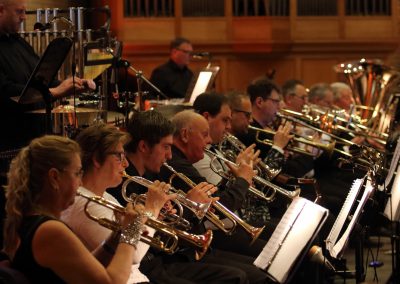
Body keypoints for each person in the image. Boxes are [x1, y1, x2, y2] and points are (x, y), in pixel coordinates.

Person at [107, 110, 249, 284]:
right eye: (166, 147)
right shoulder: (123, 185)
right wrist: (186, 208)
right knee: (237, 277)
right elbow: (147, 243)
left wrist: (180, 210)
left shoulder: (151, 175)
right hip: (149, 266)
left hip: (169, 257)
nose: (169, 155)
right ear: (143, 147)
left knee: (239, 275)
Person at [3, 135, 143, 283]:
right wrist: (131, 232)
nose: (80, 182)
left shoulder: (36, 222)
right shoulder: (49, 230)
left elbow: (87, 271)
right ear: (54, 178)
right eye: (77, 173)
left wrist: (117, 235)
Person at [160, 109, 269, 283]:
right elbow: (222, 207)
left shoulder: (184, 162)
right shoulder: (178, 165)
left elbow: (215, 198)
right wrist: (242, 180)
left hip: (202, 239)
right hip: (194, 245)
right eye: (204, 135)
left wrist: (237, 179)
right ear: (185, 135)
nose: (209, 141)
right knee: (259, 272)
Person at [61, 124, 175, 284]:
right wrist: (152, 209)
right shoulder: (85, 204)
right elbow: (134, 256)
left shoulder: (104, 195)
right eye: (119, 156)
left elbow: (131, 235)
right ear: (97, 159)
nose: (126, 164)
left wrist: (151, 217)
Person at [0, 0, 94, 153]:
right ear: (1, 10)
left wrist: (69, 84)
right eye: (19, 12)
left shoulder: (19, 43)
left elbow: (42, 79)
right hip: (9, 145)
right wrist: (56, 91)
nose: (24, 17)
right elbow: (6, 92)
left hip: (36, 139)